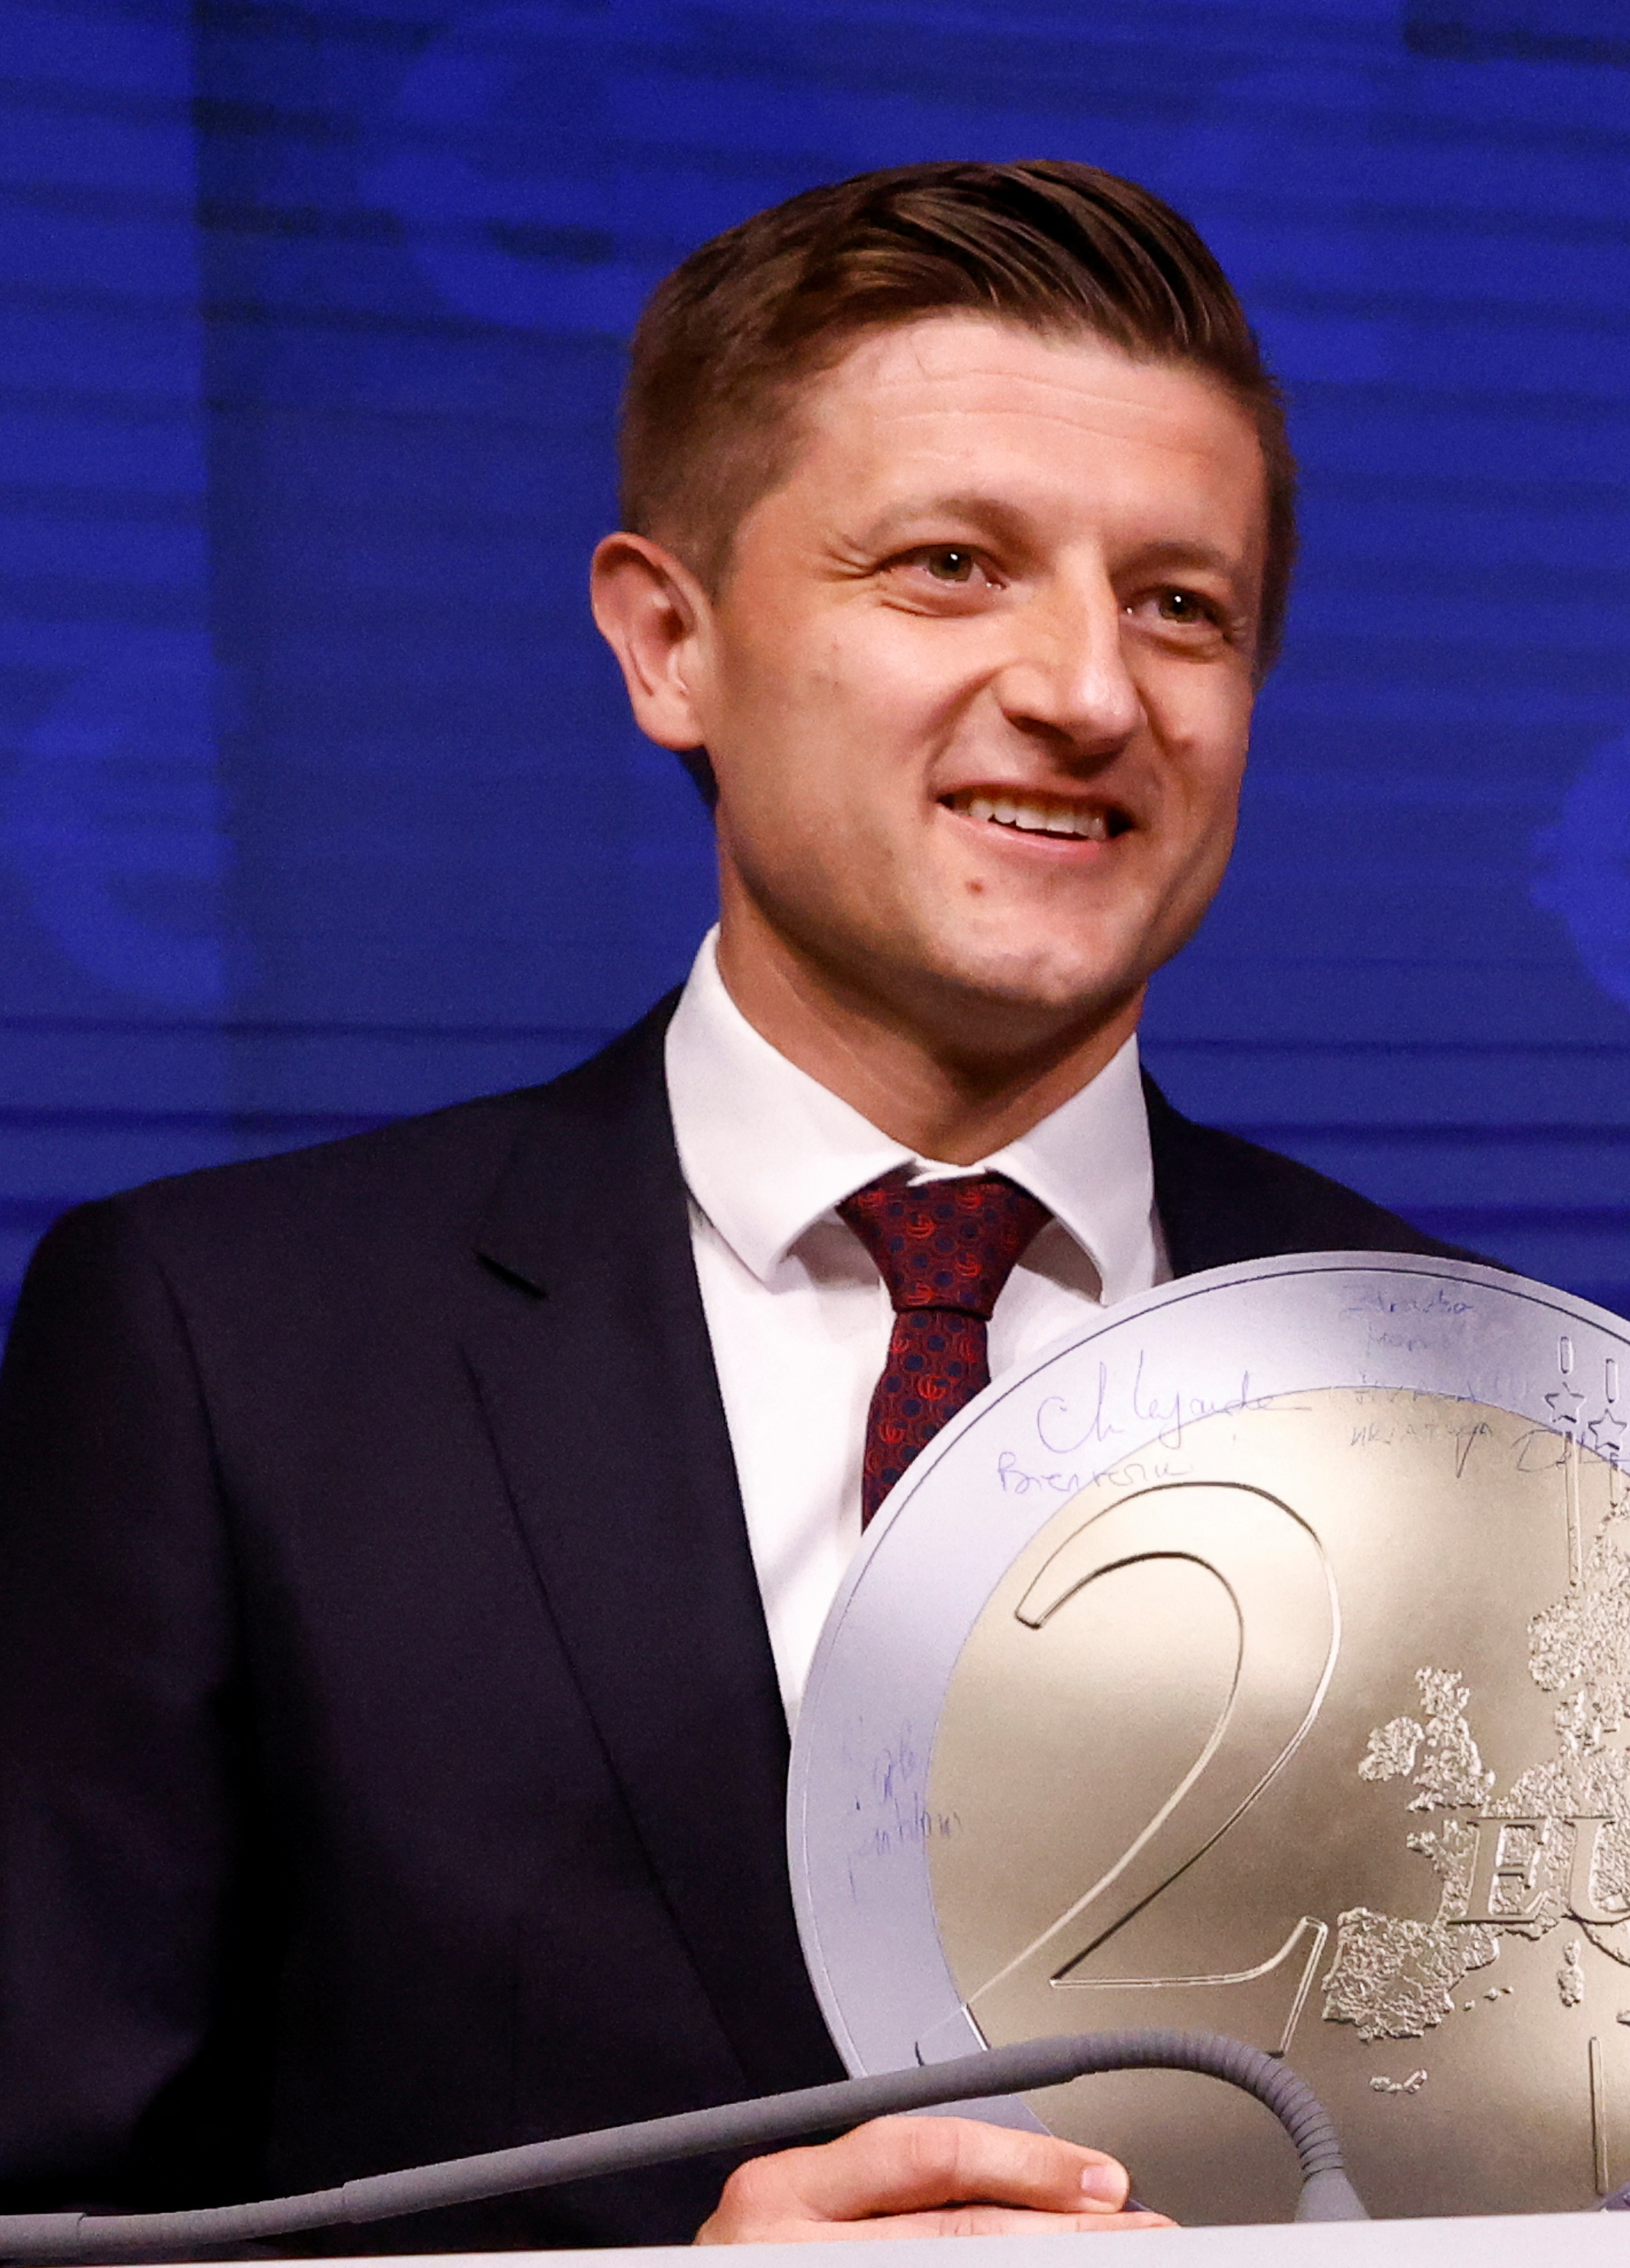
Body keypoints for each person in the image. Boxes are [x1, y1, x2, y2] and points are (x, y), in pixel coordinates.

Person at [0, 161, 1467, 2248]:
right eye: (951, 564)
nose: (1086, 688)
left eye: (1181, 602)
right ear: (667, 640)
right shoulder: (225, 1350)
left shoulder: (1459, 1385)